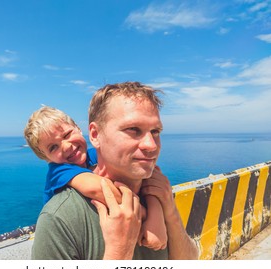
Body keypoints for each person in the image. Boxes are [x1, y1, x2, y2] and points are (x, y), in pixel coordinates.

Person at [30, 82, 199, 259]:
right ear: (95, 135)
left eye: (155, 131)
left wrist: (165, 210)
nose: (151, 145)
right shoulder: (59, 214)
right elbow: (96, 187)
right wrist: (136, 225)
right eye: (133, 129)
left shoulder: (157, 189)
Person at [24, 105, 167, 250]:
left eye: (67, 135)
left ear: (78, 128)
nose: (66, 146)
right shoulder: (58, 171)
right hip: (72, 237)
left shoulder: (93, 155)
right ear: (45, 157)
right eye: (53, 147)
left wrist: (157, 215)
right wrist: (147, 216)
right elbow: (97, 188)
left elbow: (152, 173)